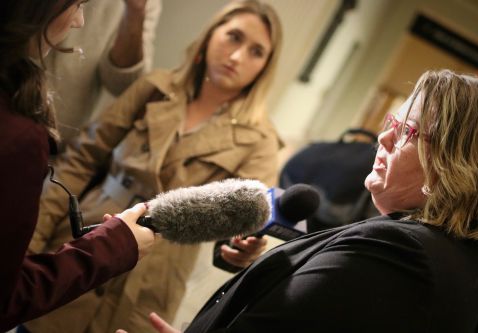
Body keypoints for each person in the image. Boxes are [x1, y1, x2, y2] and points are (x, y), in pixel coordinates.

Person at [120, 69, 478, 333]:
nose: (383, 140)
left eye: (409, 132)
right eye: (391, 124)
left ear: (458, 163)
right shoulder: (447, 253)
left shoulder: (404, 255)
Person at [25, 1, 283, 332]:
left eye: (256, 51)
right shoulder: (154, 88)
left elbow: (249, 218)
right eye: (233, 37)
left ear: (265, 67)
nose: (237, 57)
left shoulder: (259, 138)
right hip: (86, 238)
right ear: (210, 35)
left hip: (154, 274)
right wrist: (32, 241)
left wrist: (242, 250)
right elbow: (80, 161)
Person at [0, 1, 156, 331]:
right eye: (78, 4)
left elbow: (121, 77)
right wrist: (113, 246)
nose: (80, 21)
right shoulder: (19, 138)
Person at [46, 0, 162, 143]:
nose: (79, 22)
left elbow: (124, 86)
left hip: (59, 142)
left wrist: (135, 12)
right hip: (14, 113)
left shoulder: (148, 3)